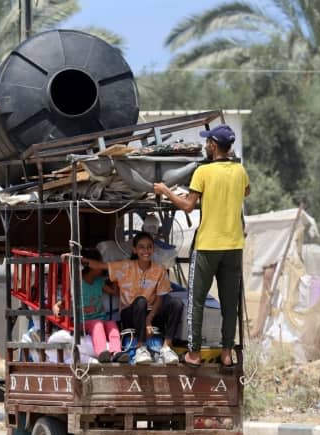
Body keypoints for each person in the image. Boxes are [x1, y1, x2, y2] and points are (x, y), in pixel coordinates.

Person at [153, 124, 251, 369]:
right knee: (230, 302)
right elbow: (246, 192)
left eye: (208, 142)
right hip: (234, 245)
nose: (206, 145)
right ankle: (227, 351)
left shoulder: (203, 172)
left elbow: (187, 206)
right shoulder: (240, 171)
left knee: (196, 299)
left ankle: (194, 354)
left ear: (213, 145)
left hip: (208, 245)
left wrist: (165, 191)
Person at [80, 232, 183, 365]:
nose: (146, 251)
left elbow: (159, 298)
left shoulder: (160, 270)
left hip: (151, 313)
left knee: (176, 303)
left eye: (149, 247)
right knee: (141, 301)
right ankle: (141, 348)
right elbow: (99, 266)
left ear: (153, 249)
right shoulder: (125, 266)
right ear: (134, 249)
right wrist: (76, 259)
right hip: (130, 313)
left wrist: (149, 320)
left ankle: (166, 348)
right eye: (141, 247)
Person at [55, 251, 128, 363]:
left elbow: (114, 292)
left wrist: (116, 281)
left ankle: (116, 351)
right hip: (83, 321)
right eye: (99, 265)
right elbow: (65, 299)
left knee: (112, 324)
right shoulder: (77, 281)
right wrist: (57, 306)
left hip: (101, 318)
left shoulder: (99, 281)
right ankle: (102, 352)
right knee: (97, 324)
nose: (102, 268)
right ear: (91, 266)